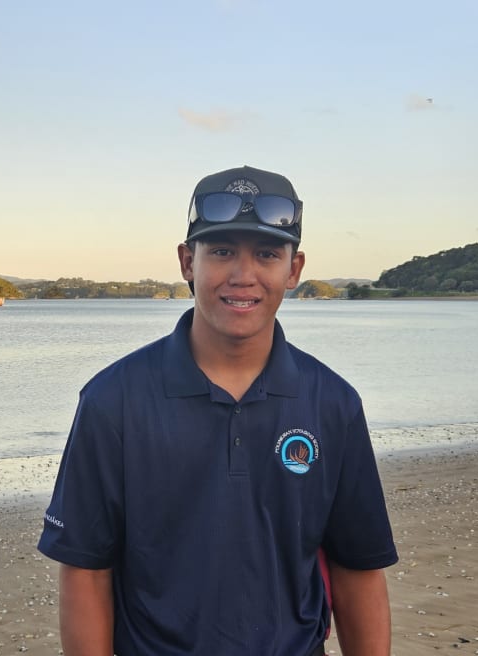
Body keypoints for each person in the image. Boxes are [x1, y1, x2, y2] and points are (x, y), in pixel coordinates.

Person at [37, 165, 398, 656]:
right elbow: (84, 570)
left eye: (267, 254)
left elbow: (358, 567)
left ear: (294, 270)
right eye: (222, 251)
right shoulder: (112, 401)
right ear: (188, 262)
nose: (242, 275)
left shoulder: (332, 404)